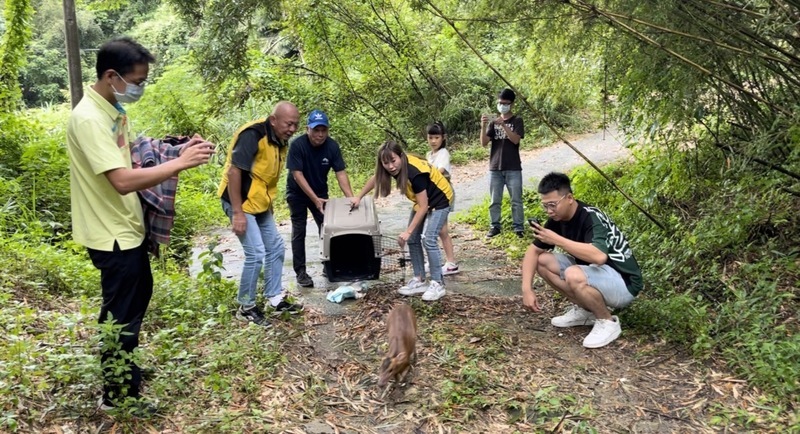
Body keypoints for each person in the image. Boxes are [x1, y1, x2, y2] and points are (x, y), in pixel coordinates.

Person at [66, 37, 216, 413]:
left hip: (125, 226)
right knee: (121, 314)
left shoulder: (112, 109)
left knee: (133, 302)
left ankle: (124, 369)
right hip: (110, 233)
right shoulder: (89, 119)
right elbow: (121, 180)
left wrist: (175, 150)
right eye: (137, 81)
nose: (140, 88)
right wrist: (180, 164)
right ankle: (118, 396)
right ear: (111, 76)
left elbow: (128, 158)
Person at [521, 172, 643, 348]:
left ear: (569, 198)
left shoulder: (590, 217)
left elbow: (599, 256)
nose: (549, 211)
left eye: (553, 205)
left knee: (573, 274)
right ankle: (587, 311)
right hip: (597, 274)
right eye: (545, 206)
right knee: (542, 261)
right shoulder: (557, 219)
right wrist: (527, 289)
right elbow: (532, 252)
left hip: (623, 283)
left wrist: (556, 239)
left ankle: (607, 322)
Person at [218, 101, 304, 327]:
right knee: (256, 253)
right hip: (240, 202)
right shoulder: (253, 135)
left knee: (276, 247)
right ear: (273, 120)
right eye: (288, 124)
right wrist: (237, 212)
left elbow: (267, 176)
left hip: (260, 204)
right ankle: (246, 307)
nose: (292, 129)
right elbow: (234, 172)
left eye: (295, 125)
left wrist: (269, 204)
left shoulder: (280, 140)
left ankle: (274, 298)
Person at [352, 141, 453, 301]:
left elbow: (424, 207)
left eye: (393, 161)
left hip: (441, 199)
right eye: (386, 163)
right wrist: (359, 197)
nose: (391, 166)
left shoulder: (414, 173)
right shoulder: (392, 168)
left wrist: (408, 231)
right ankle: (419, 279)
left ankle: (438, 283)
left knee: (429, 240)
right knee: (412, 239)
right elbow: (375, 178)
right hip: (423, 201)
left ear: (401, 156)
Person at [286, 109, 355, 287]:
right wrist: (314, 199)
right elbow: (297, 175)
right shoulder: (297, 145)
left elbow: (340, 173)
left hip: (320, 193)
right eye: (316, 130)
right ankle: (301, 272)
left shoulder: (332, 146)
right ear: (308, 129)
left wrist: (351, 198)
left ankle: (329, 266)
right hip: (297, 193)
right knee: (299, 231)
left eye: (323, 130)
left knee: (327, 229)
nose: (320, 134)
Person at [480, 88, 525, 238]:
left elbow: (515, 140)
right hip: (495, 166)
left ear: (512, 104)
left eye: (505, 103)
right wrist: (483, 126)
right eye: (500, 103)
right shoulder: (493, 122)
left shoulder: (517, 121)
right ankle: (495, 226)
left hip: (513, 166)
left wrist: (504, 125)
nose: (502, 106)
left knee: (516, 200)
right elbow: (484, 143)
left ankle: (518, 227)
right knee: (495, 200)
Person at [425, 122, 459, 275]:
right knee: (440, 230)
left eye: (436, 137)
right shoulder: (429, 155)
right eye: (431, 137)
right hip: (433, 194)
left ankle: (451, 263)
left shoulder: (443, 153)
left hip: (443, 194)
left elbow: (439, 172)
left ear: (443, 138)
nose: (433, 141)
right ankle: (438, 260)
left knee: (440, 230)